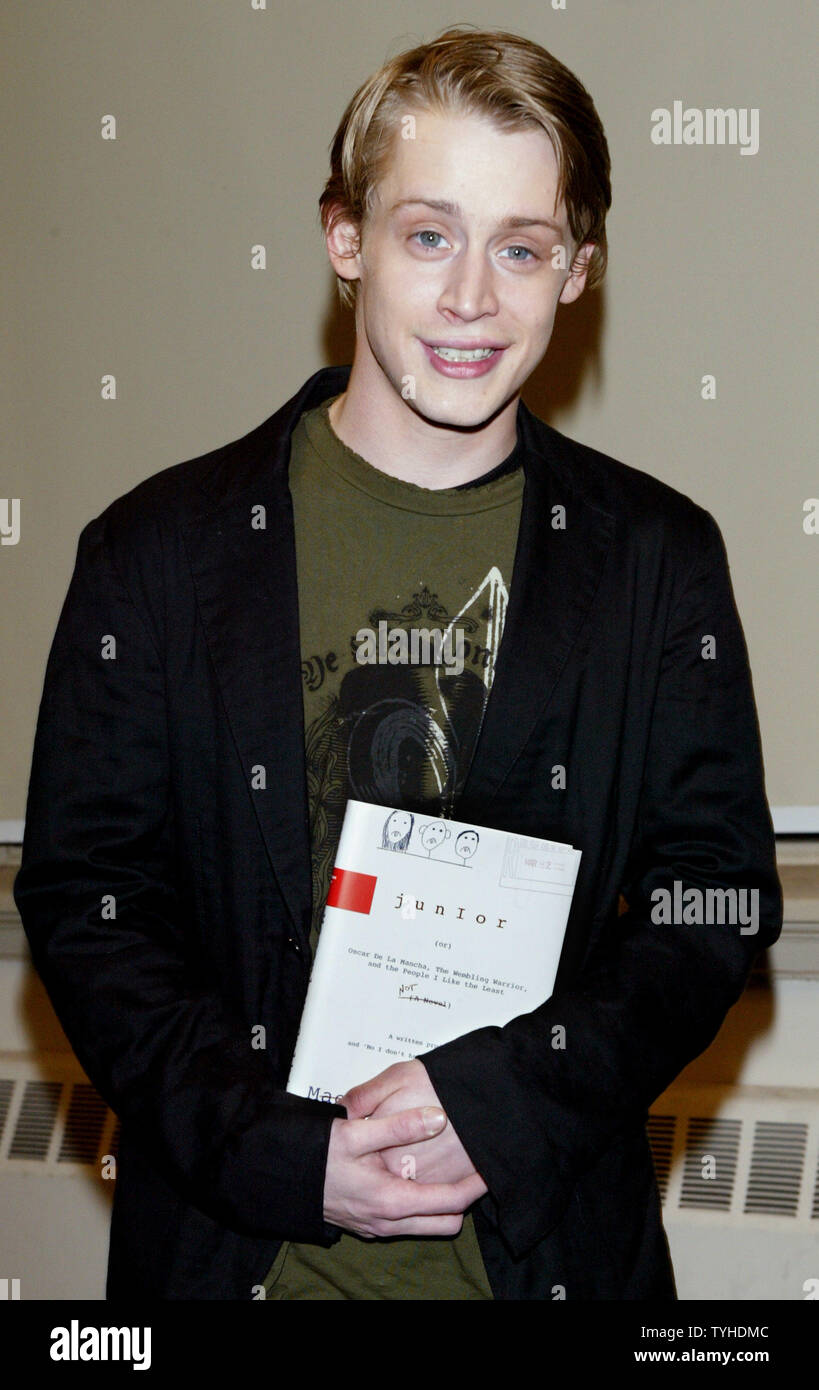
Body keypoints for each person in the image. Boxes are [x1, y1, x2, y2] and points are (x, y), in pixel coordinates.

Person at [13, 26, 782, 1301]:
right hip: (231, 1261)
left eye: (522, 248)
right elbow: (92, 905)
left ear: (577, 270)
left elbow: (712, 904)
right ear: (345, 240)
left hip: (553, 1271)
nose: (473, 297)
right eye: (429, 235)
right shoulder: (156, 554)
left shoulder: (659, 561)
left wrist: (503, 1092)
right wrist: (282, 1153)